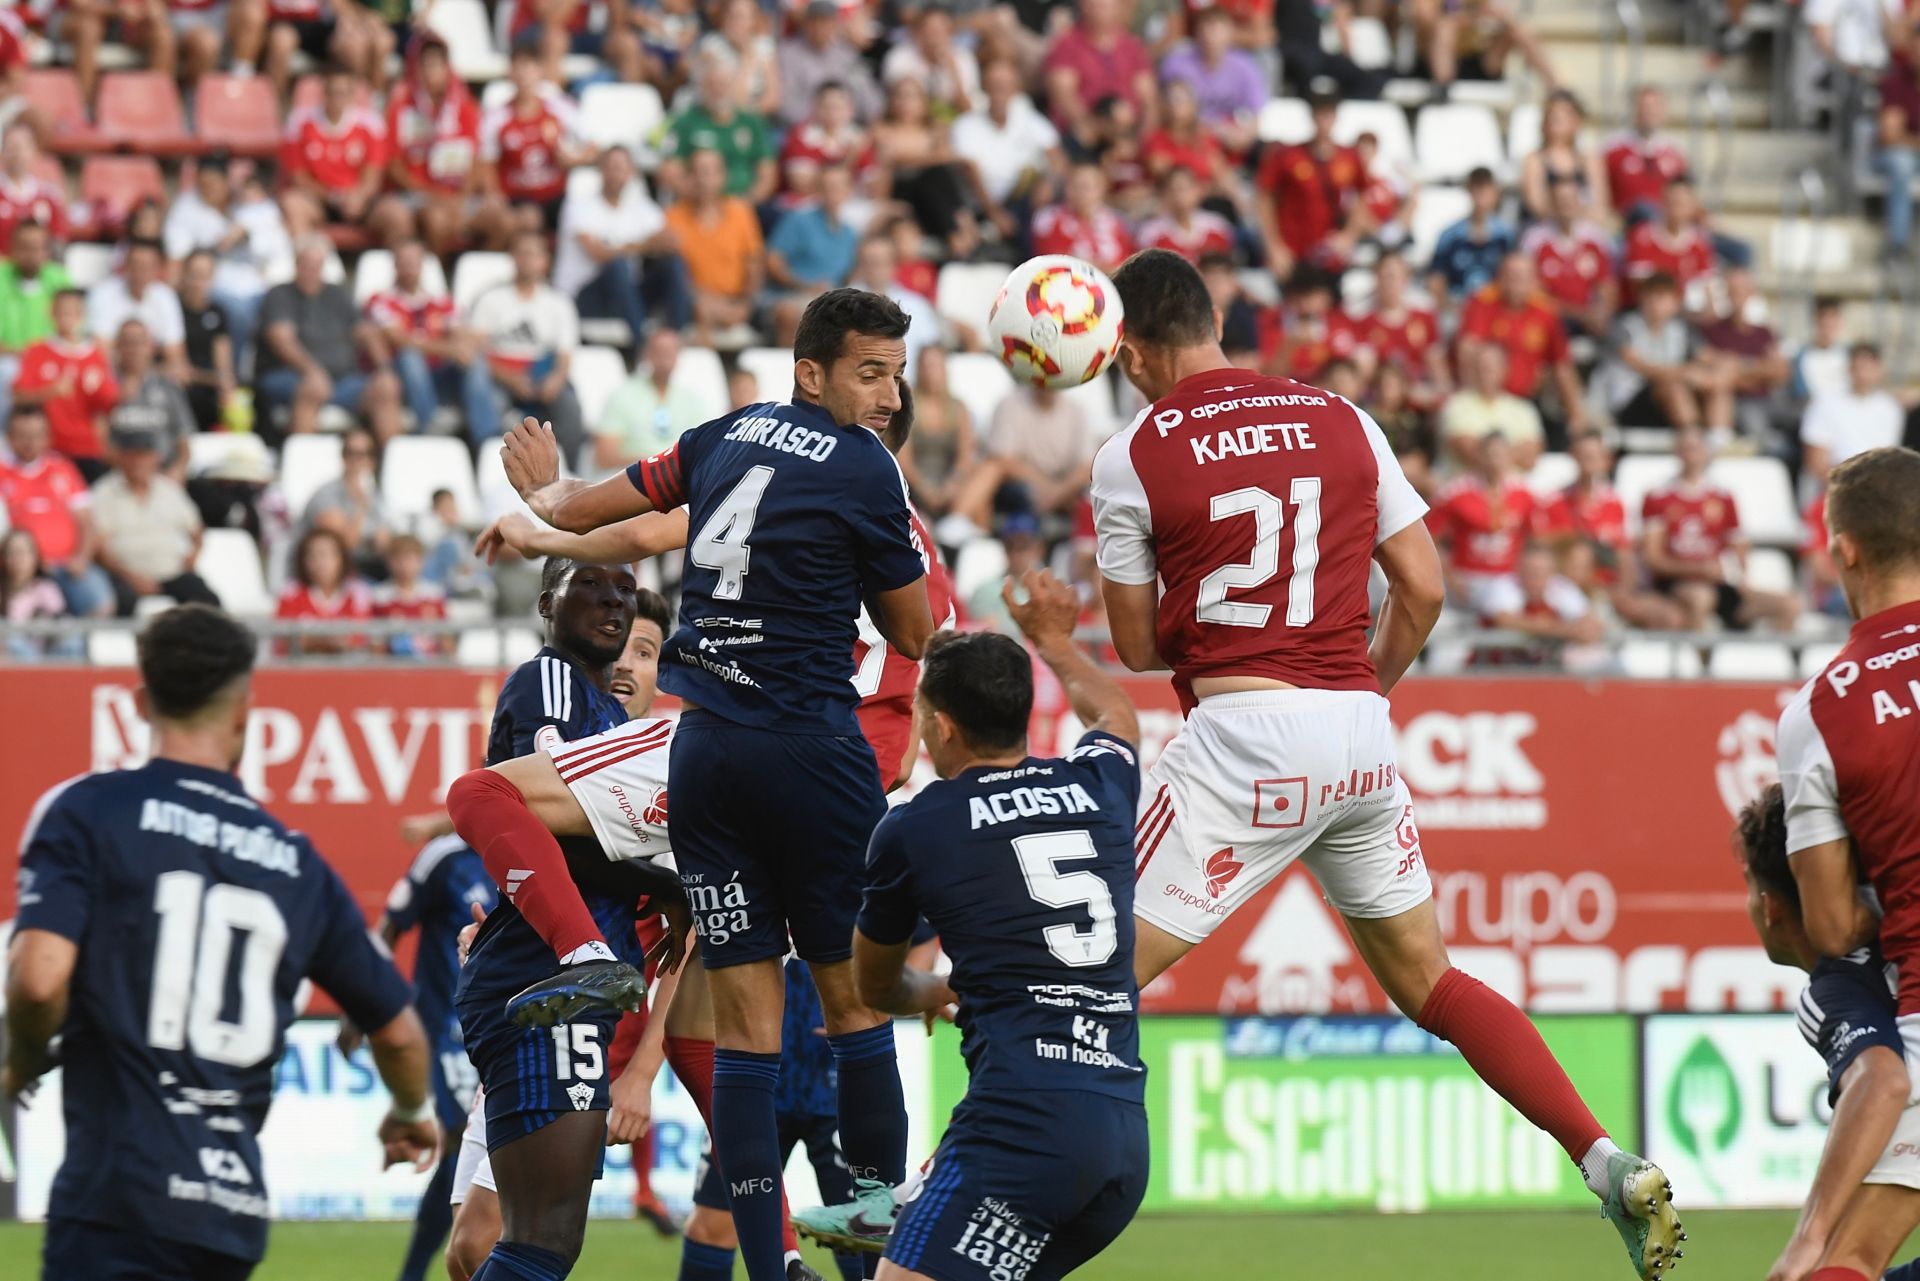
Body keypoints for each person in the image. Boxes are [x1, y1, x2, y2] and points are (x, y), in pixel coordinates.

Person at [1086, 248, 1681, 1280]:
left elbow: (1136, 649)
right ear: (1217, 317)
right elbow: (1425, 586)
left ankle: (944, 1192)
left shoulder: (1132, 451)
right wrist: (1370, 684)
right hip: (1361, 739)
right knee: (1433, 981)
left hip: (1242, 739)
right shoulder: (1342, 417)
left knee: (1079, 975)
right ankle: (1603, 1158)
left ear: (1131, 352)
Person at [496, 287, 936, 1281]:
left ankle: (763, 1263)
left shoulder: (723, 432)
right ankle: (870, 1222)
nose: (887, 396)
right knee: (853, 1005)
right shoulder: (868, 468)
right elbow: (912, 633)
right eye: (871, 372)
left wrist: (546, 497)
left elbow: (584, 506)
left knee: (746, 1029)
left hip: (705, 756)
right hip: (812, 757)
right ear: (812, 371)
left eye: (897, 375)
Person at [4, 602, 440, 1281]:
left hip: (115, 1199)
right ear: (244, 711)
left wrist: (20, 1058)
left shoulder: (85, 811)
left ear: (142, 699)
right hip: (227, 1217)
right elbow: (402, 1033)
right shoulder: (296, 862)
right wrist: (409, 1110)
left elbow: (37, 979)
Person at [798, 574, 1148, 1280]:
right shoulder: (1099, 788)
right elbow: (1115, 714)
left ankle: (900, 1204)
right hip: (1121, 1134)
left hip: (1019, 1129)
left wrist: (931, 990)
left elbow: (873, 984)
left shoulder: (916, 826)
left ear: (942, 723)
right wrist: (1053, 638)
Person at [441, 564, 688, 1281]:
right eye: (594, 588)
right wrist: (663, 882)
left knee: (499, 1241)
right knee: (537, 1241)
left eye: (625, 593)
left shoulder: (612, 720)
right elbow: (543, 823)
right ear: (548, 602)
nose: (614, 603)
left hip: (559, 986)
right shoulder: (553, 679)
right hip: (549, 982)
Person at [1731, 783, 1920, 1281]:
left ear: (1770, 905)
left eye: (1748, 885)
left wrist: (1806, 1241)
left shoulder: (1834, 988)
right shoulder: (1903, 921)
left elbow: (1884, 1080)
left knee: (1841, 1265)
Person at [340, 827, 497, 1281]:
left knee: (468, 1151)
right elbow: (391, 924)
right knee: (455, 1137)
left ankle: (471, 1260)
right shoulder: (444, 857)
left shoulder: (535, 848)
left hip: (503, 1026)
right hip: (445, 1027)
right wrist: (360, 1006)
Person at [1640, 423, 1800, 632]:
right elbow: (1653, 558)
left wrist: (1741, 579)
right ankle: (1698, 660)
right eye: (1686, 447)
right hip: (1676, 584)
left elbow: (1738, 545)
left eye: (1696, 447)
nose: (1692, 454)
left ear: (1707, 452)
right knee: (1700, 598)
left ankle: (1774, 659)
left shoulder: (1723, 497)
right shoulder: (1658, 497)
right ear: (1676, 451)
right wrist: (1699, 569)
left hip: (1718, 582)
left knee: (1789, 604)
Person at [256, 236, 405, 443]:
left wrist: (384, 369)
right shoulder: (280, 294)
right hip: (290, 376)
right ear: (296, 264)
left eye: (317, 264)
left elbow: (364, 332)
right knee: (313, 387)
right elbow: (282, 341)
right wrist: (312, 371)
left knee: (386, 387)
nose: (311, 270)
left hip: (343, 381)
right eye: (306, 264)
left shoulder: (337, 294)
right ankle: (300, 462)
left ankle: (392, 463)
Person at [462, 231, 584, 456]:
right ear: (513, 258)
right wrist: (509, 377)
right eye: (522, 253)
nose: (527, 260)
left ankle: (570, 466)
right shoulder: (491, 299)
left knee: (568, 404)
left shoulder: (558, 303)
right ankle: (487, 453)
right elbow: (472, 352)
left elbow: (565, 355)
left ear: (545, 261)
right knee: (478, 383)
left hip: (540, 372)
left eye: (533, 254)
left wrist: (555, 380)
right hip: (498, 375)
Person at [381, 32, 501, 259]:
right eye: (425, 65)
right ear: (416, 70)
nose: (431, 72)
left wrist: (462, 198)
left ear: (448, 68)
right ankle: (435, 277)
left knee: (500, 219)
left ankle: (472, 271)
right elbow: (394, 167)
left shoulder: (465, 108)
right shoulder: (401, 108)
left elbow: (477, 160)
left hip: (458, 194)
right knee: (437, 220)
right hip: (417, 194)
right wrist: (431, 195)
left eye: (437, 65)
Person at [555, 147, 689, 345]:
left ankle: (675, 343)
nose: (615, 173)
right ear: (600, 170)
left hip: (625, 296)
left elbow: (670, 242)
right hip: (584, 298)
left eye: (621, 168)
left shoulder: (641, 208)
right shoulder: (578, 206)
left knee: (673, 264)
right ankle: (642, 347)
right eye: (611, 167)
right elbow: (599, 254)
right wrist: (645, 245)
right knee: (617, 266)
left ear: (632, 172)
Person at [162, 155, 287, 359]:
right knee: (238, 312)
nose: (208, 189)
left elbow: (274, 244)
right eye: (203, 184)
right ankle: (239, 372)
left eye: (213, 183)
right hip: (213, 283)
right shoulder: (186, 209)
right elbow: (176, 259)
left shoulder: (250, 202)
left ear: (226, 181)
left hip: (260, 282)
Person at [0, 404, 114, 618]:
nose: (30, 442)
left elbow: (87, 521)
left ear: (47, 436)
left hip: (67, 565)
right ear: (9, 437)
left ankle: (75, 648)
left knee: (100, 601)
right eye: (22, 435)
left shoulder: (63, 469)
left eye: (36, 435)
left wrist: (82, 557)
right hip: (18, 570)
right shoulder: (2, 472)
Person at [1456, 251, 1587, 433]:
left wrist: (1576, 414)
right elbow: (1468, 350)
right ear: (1500, 277)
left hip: (1526, 401)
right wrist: (1471, 398)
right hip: (1486, 400)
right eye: (1510, 275)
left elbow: (1562, 366)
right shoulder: (1484, 303)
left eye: (1522, 277)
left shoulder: (1545, 312)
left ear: (1535, 281)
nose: (1515, 283)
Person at [1590, 272, 1728, 433]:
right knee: (1671, 386)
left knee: (1718, 384)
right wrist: (1687, 373)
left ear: (1675, 302)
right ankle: (1692, 436)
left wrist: (1722, 372)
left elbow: (1710, 357)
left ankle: (1720, 439)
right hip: (1626, 404)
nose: (1655, 304)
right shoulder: (1622, 326)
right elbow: (1645, 369)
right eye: (1650, 297)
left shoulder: (1682, 329)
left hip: (1666, 406)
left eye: (1662, 298)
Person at [479, 41, 593, 235]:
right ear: (510, 73)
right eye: (518, 67)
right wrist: (493, 195)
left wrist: (574, 159)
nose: (524, 74)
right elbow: (485, 163)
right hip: (516, 198)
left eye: (529, 66)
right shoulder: (496, 117)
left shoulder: (559, 107)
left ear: (540, 71)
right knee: (526, 218)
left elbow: (593, 144)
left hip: (557, 196)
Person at [1256, 91, 1370, 279]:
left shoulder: (1349, 158)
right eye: (1319, 115)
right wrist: (1274, 246)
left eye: (1328, 115)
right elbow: (1264, 198)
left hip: (1329, 252)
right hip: (1293, 250)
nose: (1323, 122)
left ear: (1335, 118)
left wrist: (1349, 235)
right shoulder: (1287, 156)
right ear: (1312, 117)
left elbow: (1362, 196)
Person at [662, 149, 767, 350]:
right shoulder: (672, 217)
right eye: (698, 172)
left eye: (710, 172)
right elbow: (672, 274)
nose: (704, 180)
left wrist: (744, 305)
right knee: (703, 309)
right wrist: (706, 301)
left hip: (737, 300)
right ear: (688, 177)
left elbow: (755, 263)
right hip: (691, 302)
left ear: (723, 176)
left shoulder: (741, 213)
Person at [281, 63, 396, 244]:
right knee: (292, 204)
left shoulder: (371, 123)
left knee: (395, 213)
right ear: (323, 93)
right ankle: (306, 261)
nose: (337, 98)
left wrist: (358, 197)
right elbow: (299, 177)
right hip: (320, 201)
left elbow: (373, 176)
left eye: (343, 93)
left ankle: (404, 267)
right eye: (332, 92)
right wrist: (333, 197)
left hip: (360, 202)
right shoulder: (300, 121)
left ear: (353, 95)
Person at [365, 238, 470, 435]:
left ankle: (488, 433)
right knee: (410, 356)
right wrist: (447, 348)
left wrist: (457, 348)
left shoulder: (442, 302)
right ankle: (429, 426)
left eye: (413, 262)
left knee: (474, 360)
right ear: (395, 266)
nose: (409, 268)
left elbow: (460, 337)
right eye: (403, 262)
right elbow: (398, 339)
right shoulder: (380, 300)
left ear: (423, 265)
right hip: (401, 379)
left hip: (439, 375)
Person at [14, 288, 118, 477]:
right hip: (47, 449)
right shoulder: (37, 352)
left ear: (82, 315)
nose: (67, 317)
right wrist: (50, 392)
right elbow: (18, 397)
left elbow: (108, 405)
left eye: (73, 311)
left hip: (86, 449)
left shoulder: (95, 356)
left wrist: (98, 390)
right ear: (52, 313)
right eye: (62, 311)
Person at [593, 327, 720, 472]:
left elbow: (703, 451)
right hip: (633, 480)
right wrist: (654, 467)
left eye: (670, 352)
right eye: (659, 351)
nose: (664, 357)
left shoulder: (692, 400)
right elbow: (604, 456)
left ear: (678, 356)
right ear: (646, 355)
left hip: (678, 483)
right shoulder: (622, 396)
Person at [660, 55, 779, 205]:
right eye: (712, 85)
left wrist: (743, 205)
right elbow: (669, 171)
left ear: (735, 87)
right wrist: (704, 202)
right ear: (702, 87)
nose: (719, 91)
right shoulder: (685, 122)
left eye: (724, 85)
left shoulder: (752, 123)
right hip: (696, 205)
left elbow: (767, 174)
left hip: (745, 206)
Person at [767, 164, 863, 343]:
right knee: (791, 314)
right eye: (826, 187)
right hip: (795, 294)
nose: (832, 193)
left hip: (833, 298)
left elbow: (851, 271)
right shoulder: (799, 219)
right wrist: (804, 284)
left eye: (837, 187)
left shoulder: (849, 233)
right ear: (818, 190)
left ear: (848, 191)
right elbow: (773, 261)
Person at [1042, 0, 1157, 150]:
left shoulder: (1132, 46)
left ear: (1119, 8)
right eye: (1092, 5)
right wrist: (1102, 131)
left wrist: (1140, 141)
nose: (1097, 11)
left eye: (1104, 6)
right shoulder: (1067, 44)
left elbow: (1149, 101)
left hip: (1130, 138)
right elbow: (1063, 97)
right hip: (1084, 138)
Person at [1522, 175, 1617, 337]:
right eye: (1560, 199)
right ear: (1551, 203)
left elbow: (1607, 285)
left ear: (1580, 202)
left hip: (1591, 320)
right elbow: (1532, 291)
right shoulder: (1534, 240)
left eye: (1571, 198)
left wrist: (1602, 313)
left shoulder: (1595, 237)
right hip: (1552, 320)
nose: (1566, 204)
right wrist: (1579, 315)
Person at [1803, 343, 1906, 490]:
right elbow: (1817, 463)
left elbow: (1889, 461)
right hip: (1833, 491)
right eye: (1858, 367)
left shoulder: (1890, 408)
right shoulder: (1825, 403)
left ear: (1879, 370)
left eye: (1868, 368)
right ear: (1849, 368)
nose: (1863, 375)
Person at [0, 220, 72, 425]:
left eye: (37, 247)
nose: (30, 254)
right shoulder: (1, 278)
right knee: (8, 372)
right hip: (12, 360)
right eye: (24, 247)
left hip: (54, 358)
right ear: (12, 248)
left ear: (47, 251)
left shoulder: (60, 280)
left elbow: (72, 330)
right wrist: (29, 356)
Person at [87, 238, 188, 380]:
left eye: (147, 266)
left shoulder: (166, 296)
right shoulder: (103, 293)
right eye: (135, 265)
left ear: (158, 268)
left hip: (154, 376)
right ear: (125, 266)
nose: (141, 271)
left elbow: (175, 356)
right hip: (114, 375)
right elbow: (101, 352)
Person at [1437, 345, 1544, 473]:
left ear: (1505, 369)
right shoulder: (1455, 406)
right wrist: (1514, 452)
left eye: (1491, 367)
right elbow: (1468, 453)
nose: (1486, 372)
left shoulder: (1523, 409)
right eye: (1482, 367)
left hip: (1513, 490)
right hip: (1467, 489)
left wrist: (1488, 452)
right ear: (1474, 370)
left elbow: (1530, 458)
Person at [109, 317, 197, 470]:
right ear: (117, 346)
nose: (133, 348)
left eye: (139, 342)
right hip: (120, 476)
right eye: (127, 342)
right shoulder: (105, 385)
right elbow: (99, 442)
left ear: (151, 347)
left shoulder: (169, 386)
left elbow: (184, 442)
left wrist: (177, 472)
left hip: (164, 474)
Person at [778, 3, 882, 129]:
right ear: (805, 24)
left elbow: (870, 100)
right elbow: (786, 107)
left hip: (845, 128)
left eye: (826, 22)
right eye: (815, 22)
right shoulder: (788, 54)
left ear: (836, 25)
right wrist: (825, 119)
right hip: (803, 129)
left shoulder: (847, 54)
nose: (820, 28)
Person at [275, 524, 373, 654]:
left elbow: (362, 640)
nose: (320, 562)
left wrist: (314, 641)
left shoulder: (358, 594)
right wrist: (327, 642)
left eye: (326, 554)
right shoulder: (290, 593)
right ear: (303, 561)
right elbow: (283, 641)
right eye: (312, 556)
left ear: (341, 559)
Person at [1427, 166, 1516, 303]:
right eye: (1477, 189)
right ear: (1469, 191)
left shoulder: (1506, 235)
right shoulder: (1450, 236)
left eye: (1485, 189)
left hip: (1495, 311)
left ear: (1495, 193)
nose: (1481, 195)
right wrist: (1448, 309)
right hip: (1460, 307)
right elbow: (1436, 279)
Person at [1520, 89, 1610, 222]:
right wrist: (1564, 216)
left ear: (1576, 121)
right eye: (1552, 113)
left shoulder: (1589, 160)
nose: (1556, 118)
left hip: (1582, 229)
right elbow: (1535, 205)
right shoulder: (1534, 159)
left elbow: (1601, 206)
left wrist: (1576, 220)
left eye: (1564, 113)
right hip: (1546, 228)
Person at [1603, 86, 1691, 221]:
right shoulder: (1611, 149)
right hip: (1627, 225)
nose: (1649, 111)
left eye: (1655, 106)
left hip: (1667, 225)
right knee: (1643, 210)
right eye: (1644, 106)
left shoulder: (1676, 152)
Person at [178, 250, 240, 432]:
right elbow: (180, 368)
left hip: (208, 383)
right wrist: (212, 378)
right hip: (185, 384)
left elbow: (223, 362)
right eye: (194, 275)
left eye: (204, 276)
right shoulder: (173, 308)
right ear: (184, 274)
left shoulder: (218, 312)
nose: (198, 282)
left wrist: (225, 383)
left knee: (237, 398)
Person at [372, 532, 451, 658]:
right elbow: (376, 646)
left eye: (409, 558)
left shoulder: (434, 595)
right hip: (393, 669)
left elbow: (446, 641)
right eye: (398, 559)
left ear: (421, 560)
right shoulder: (379, 597)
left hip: (429, 668)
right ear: (389, 562)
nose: (404, 565)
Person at [1, 527, 75, 660]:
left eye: (23, 552)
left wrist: (45, 623)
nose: (18, 558)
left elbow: (64, 623)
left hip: (43, 656)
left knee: (73, 641)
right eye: (12, 552)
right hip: (10, 660)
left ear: (35, 557)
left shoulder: (46, 588)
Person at [0, 123, 69, 251]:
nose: (17, 154)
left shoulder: (49, 196)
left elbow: (58, 240)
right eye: (11, 148)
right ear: (2, 153)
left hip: (38, 269)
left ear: (34, 152)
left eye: (22, 148)